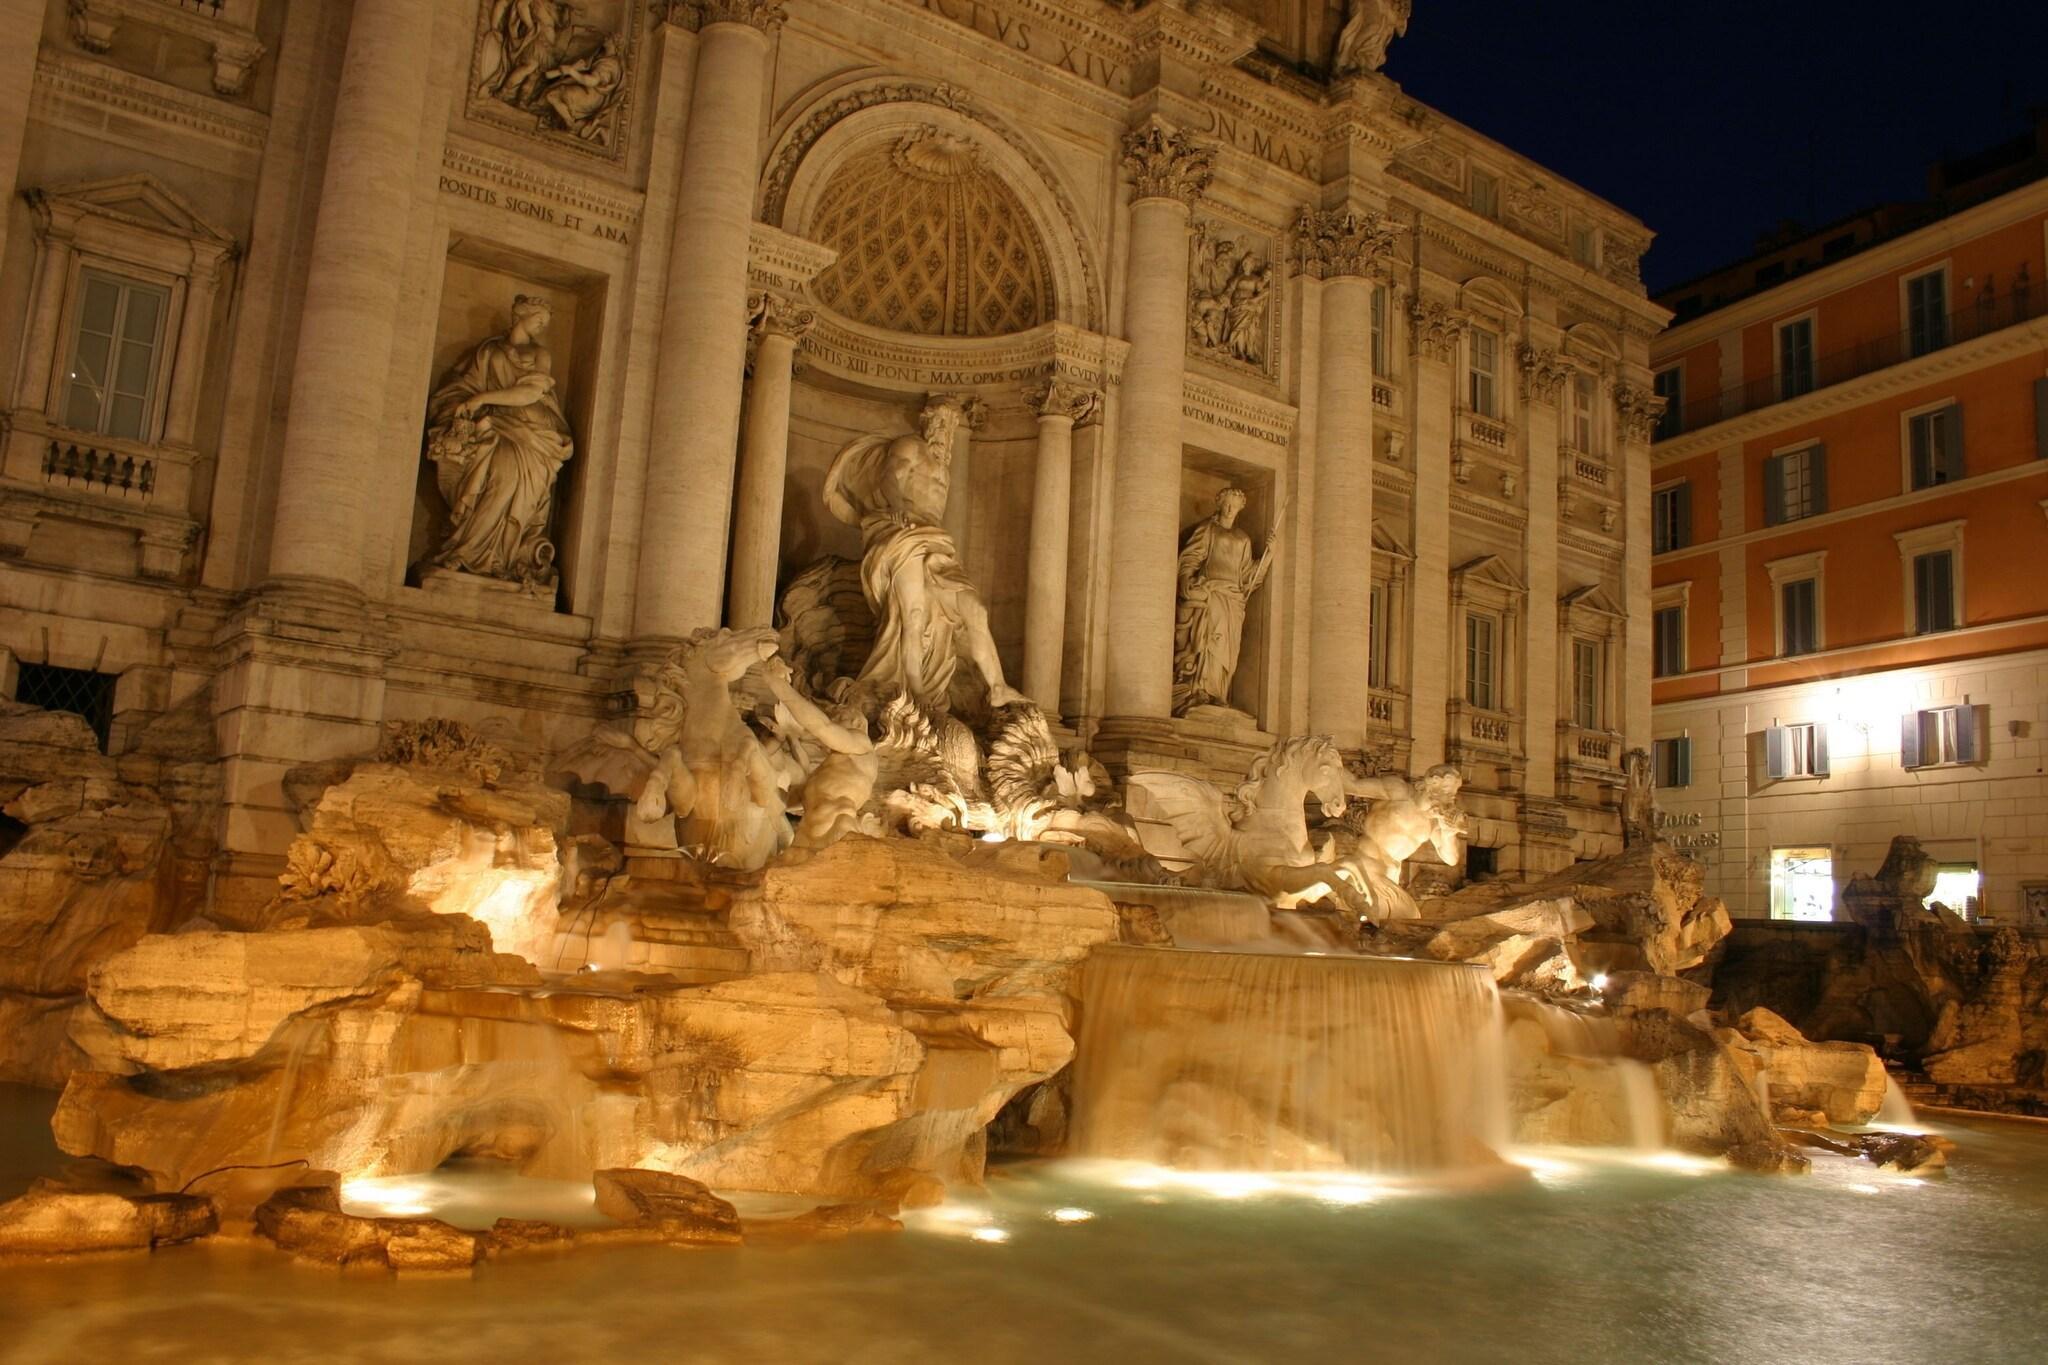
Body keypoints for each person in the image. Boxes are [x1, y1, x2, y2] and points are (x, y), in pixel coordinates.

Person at [823, 431, 1027, 717]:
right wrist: (897, 507)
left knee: (974, 609)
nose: (943, 429)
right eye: (939, 421)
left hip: (935, 540)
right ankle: (915, 690)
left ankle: (998, 686)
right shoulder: (910, 446)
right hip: (903, 532)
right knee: (913, 615)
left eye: (949, 423)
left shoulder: (943, 465)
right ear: (928, 423)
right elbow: (889, 477)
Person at [424, 295, 574, 587]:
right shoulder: (488, 350)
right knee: (495, 478)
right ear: (520, 314)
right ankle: (468, 551)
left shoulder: (540, 354)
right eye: (538, 318)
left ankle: (496, 557)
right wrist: (464, 404)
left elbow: (530, 393)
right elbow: (462, 385)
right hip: (493, 426)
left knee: (510, 479)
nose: (542, 325)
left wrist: (481, 399)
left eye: (546, 322)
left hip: (531, 431)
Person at [1172, 487, 1276, 715]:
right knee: (1210, 640)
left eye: (1234, 506)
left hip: (1233, 599)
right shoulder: (1207, 530)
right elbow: (1191, 557)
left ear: (1240, 509)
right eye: (1226, 504)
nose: (1230, 509)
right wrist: (1186, 579)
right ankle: (1199, 688)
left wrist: (1268, 556)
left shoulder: (1243, 539)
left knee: (1228, 648)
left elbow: (1248, 576)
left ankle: (1218, 691)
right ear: (1219, 504)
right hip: (1212, 593)